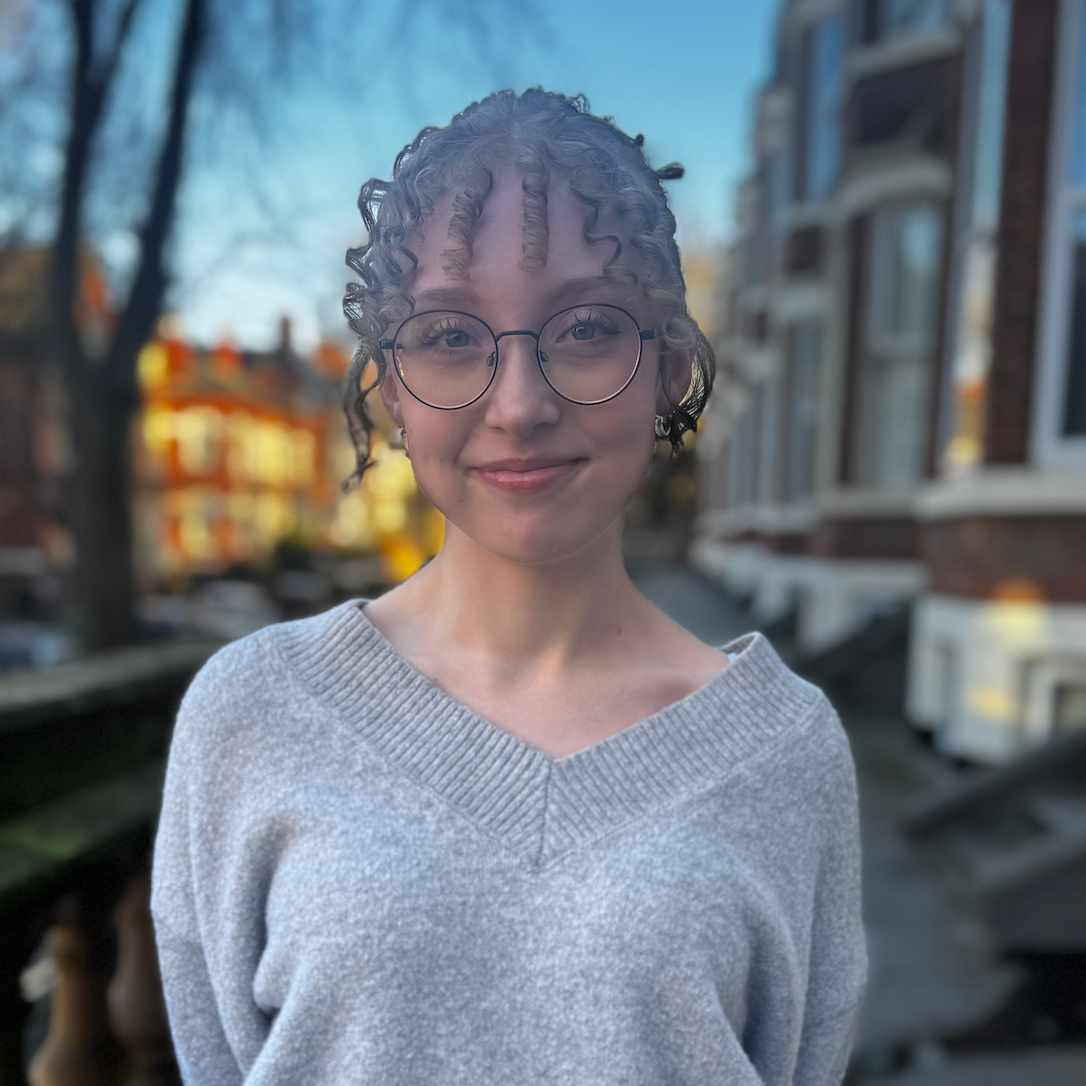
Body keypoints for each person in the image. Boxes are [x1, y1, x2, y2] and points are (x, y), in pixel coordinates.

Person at [151, 89, 866, 1086]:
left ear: (665, 365)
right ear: (392, 388)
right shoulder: (251, 713)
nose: (519, 404)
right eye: (449, 337)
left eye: (586, 328)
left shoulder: (788, 751)